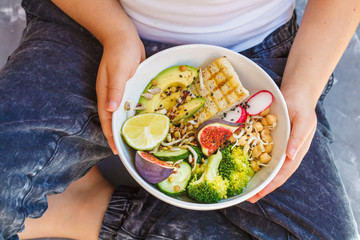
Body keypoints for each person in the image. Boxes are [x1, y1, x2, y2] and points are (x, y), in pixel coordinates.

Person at [0, 0, 359, 239]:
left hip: (257, 56)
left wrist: (303, 89)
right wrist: (114, 32)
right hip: (91, 25)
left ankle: (85, 209)